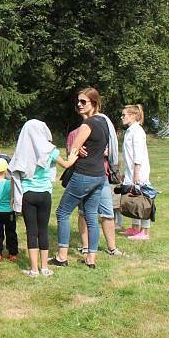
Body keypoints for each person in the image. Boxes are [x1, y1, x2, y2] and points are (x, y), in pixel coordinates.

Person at [10, 120, 78, 278]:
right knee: (43, 230)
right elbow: (66, 165)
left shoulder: (22, 150)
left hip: (28, 195)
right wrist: (73, 157)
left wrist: (13, 197)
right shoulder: (50, 150)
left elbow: (14, 174)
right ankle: (45, 268)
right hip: (45, 195)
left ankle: (33, 269)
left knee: (31, 232)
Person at [50, 88, 108, 269]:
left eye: (84, 102)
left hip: (84, 175)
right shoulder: (104, 122)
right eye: (78, 101)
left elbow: (73, 150)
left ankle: (61, 256)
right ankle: (91, 259)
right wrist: (83, 147)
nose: (79, 105)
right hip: (100, 176)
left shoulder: (88, 124)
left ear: (94, 103)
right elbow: (100, 147)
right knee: (91, 215)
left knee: (62, 212)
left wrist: (77, 149)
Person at [68, 113, 125, 257]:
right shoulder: (74, 134)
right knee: (83, 212)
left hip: (103, 176)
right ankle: (86, 246)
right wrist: (77, 151)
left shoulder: (103, 131)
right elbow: (70, 153)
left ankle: (112, 248)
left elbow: (111, 150)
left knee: (107, 212)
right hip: (85, 176)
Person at [120, 104, 153, 240]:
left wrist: (136, 174)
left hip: (138, 172)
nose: (121, 117)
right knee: (134, 199)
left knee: (143, 200)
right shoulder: (130, 130)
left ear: (133, 116)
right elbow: (128, 154)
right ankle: (135, 228)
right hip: (131, 171)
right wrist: (125, 172)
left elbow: (138, 155)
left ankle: (144, 232)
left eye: (124, 115)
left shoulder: (138, 131)